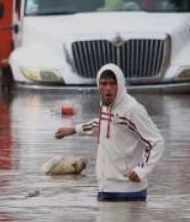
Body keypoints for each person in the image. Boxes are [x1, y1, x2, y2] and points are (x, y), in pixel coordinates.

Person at [55, 63, 164, 201]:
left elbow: (156, 142)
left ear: (120, 84)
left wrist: (141, 170)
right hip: (105, 188)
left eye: (113, 84)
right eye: (104, 83)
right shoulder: (106, 106)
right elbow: (103, 124)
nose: (108, 88)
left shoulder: (132, 109)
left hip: (128, 192)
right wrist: (74, 130)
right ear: (98, 85)